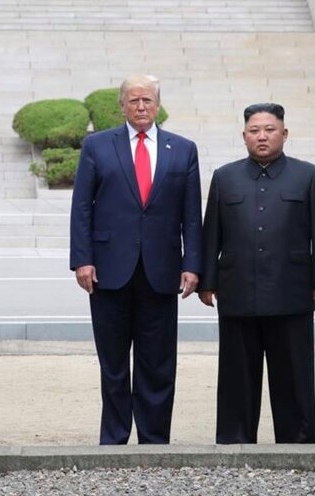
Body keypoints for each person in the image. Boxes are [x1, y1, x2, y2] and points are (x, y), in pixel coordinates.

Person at [69, 75, 203, 445]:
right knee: (113, 364)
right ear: (122, 106)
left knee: (158, 363)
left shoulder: (183, 149)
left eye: (147, 100)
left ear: (158, 104)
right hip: (108, 271)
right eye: (133, 100)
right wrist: (83, 259)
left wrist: (192, 263)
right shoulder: (98, 146)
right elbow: (82, 207)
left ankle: (155, 438)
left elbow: (192, 214)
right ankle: (113, 438)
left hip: (161, 271)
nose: (141, 107)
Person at [198, 103, 315, 444]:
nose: (262, 136)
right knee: (236, 375)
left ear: (284, 133)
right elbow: (211, 232)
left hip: (290, 291)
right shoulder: (225, 177)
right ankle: (235, 439)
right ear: (244, 136)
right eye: (255, 130)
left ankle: (298, 442)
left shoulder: (307, 175)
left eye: (270, 130)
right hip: (237, 292)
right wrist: (207, 280)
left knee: (293, 373)